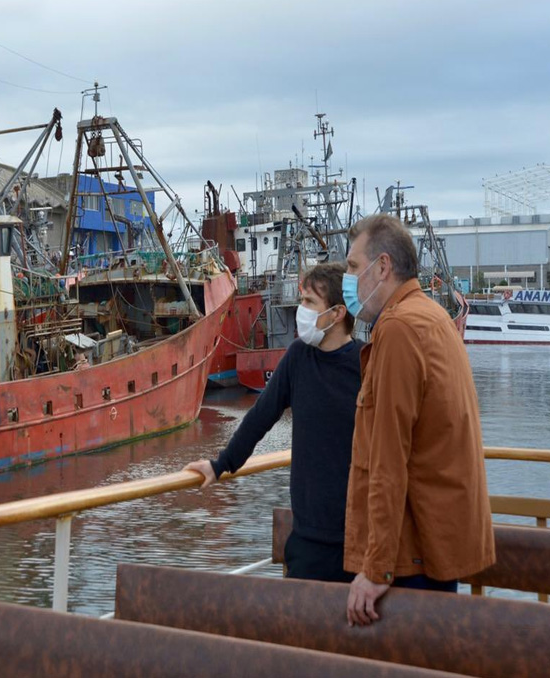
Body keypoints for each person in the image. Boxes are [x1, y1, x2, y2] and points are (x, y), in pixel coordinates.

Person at [341, 214, 495, 627]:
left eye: (354, 267)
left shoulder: (398, 330)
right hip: (436, 546)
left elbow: (388, 460)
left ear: (383, 267)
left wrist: (376, 569)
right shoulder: (432, 316)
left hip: (411, 559)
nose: (348, 279)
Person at [185, 262, 362, 583]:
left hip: (359, 539)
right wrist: (220, 464)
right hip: (308, 538)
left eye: (309, 303)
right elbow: (260, 417)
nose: (301, 310)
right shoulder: (297, 358)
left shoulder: (368, 364)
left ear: (337, 313)